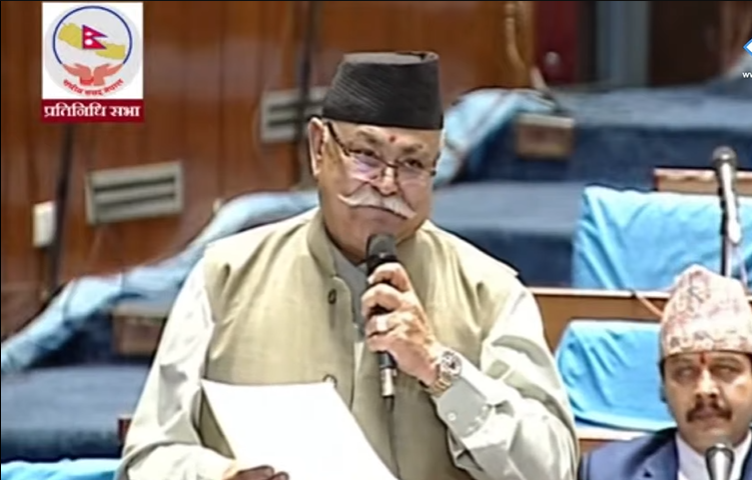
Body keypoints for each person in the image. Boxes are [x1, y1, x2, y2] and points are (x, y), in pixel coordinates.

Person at [116, 51, 579, 480]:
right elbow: (148, 458)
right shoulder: (226, 276)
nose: (387, 184)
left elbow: (553, 467)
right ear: (319, 148)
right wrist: (221, 476)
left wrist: (439, 369)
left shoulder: (489, 292)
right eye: (366, 156)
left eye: (413, 164)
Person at [579, 265, 752, 480]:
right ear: (664, 389)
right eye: (685, 372)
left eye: (725, 369)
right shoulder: (607, 473)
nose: (704, 389)